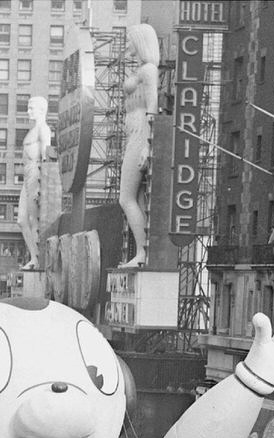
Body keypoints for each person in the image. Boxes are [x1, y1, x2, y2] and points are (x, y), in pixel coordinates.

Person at [117, 22, 160, 267]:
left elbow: (152, 106)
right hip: (134, 134)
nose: (127, 45)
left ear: (140, 41)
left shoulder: (149, 70)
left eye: (130, 40)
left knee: (126, 198)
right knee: (138, 197)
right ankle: (142, 252)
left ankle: (143, 253)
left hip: (142, 134)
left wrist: (148, 144)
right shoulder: (141, 70)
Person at [16, 96, 59, 270]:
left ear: (42, 109)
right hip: (27, 176)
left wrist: (43, 183)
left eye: (31, 108)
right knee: (21, 220)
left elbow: (45, 156)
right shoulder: (32, 130)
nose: (28, 111)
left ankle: (38, 259)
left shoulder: (44, 129)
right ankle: (34, 256)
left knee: (34, 219)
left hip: (36, 173)